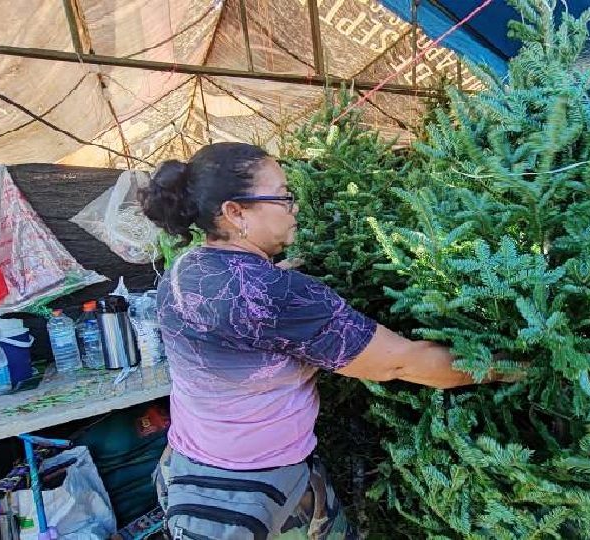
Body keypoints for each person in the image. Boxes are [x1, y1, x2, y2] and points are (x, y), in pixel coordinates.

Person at [141, 143, 516, 539]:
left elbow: (237, 306)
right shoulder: (281, 296)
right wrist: (507, 367)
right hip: (258, 490)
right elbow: (401, 362)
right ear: (235, 213)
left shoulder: (184, 269)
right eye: (283, 196)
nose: (294, 206)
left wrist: (275, 276)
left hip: (186, 468)